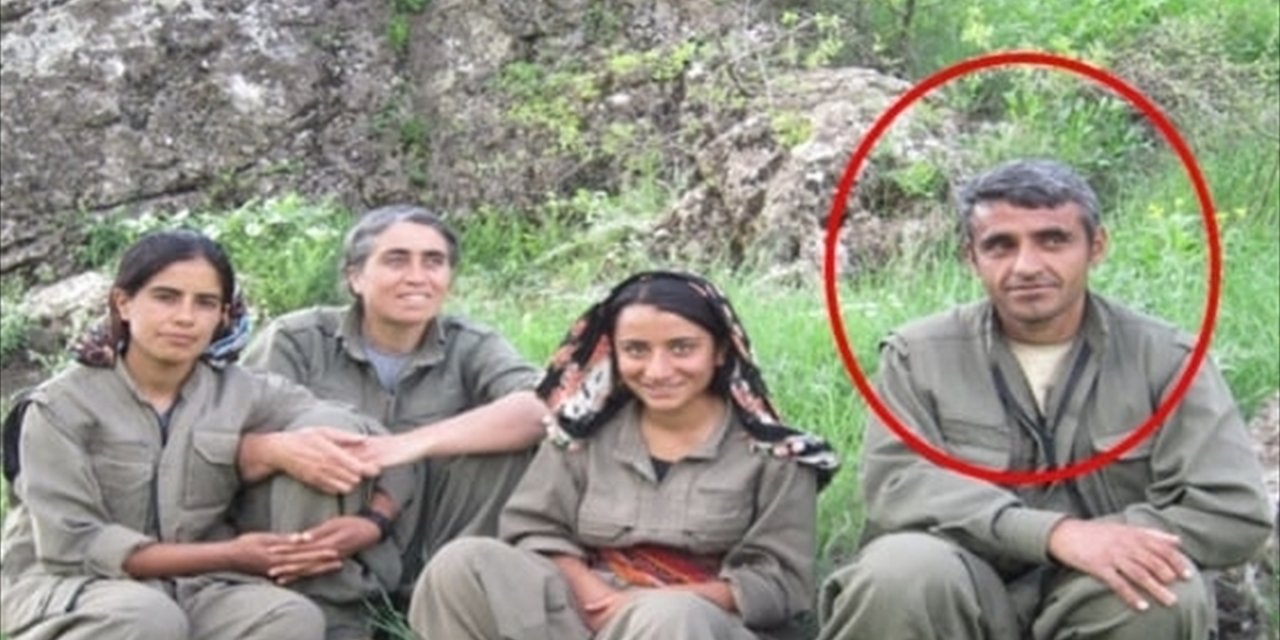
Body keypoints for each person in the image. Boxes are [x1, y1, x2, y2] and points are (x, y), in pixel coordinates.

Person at [816, 159, 1273, 640]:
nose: (1027, 266)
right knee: (898, 573)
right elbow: (897, 484)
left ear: (1096, 247)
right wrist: (1055, 535)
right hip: (961, 579)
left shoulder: (1166, 359)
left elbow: (1233, 510)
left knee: (1159, 589)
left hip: (1096, 593)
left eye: (1053, 240)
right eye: (1000, 245)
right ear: (971, 257)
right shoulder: (918, 356)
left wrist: (1116, 539)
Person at [409, 271, 840, 640]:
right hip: (587, 612)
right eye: (636, 350)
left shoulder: (778, 455)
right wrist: (594, 594)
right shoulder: (580, 436)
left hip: (700, 623)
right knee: (462, 565)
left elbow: (780, 582)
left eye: (682, 348)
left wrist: (657, 602)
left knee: (668, 618)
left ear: (721, 350)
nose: (657, 370)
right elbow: (534, 531)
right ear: (613, 352)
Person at [0, 230, 387, 639]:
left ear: (222, 315)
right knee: (148, 618)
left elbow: (373, 440)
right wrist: (230, 555)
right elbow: (74, 545)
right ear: (124, 303)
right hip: (67, 584)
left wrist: (374, 519)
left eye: (205, 303)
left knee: (289, 616)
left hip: (190, 586)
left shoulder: (238, 391)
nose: (185, 317)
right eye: (166, 297)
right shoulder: (59, 407)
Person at [239, 204, 547, 609]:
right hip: (322, 530)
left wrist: (406, 446)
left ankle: (444, 597)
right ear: (355, 277)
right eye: (396, 260)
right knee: (320, 428)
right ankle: (327, 609)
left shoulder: (471, 345)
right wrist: (277, 450)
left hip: (425, 529)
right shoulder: (296, 340)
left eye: (433, 262)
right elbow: (226, 442)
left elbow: (545, 406)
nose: (417, 277)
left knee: (509, 447)